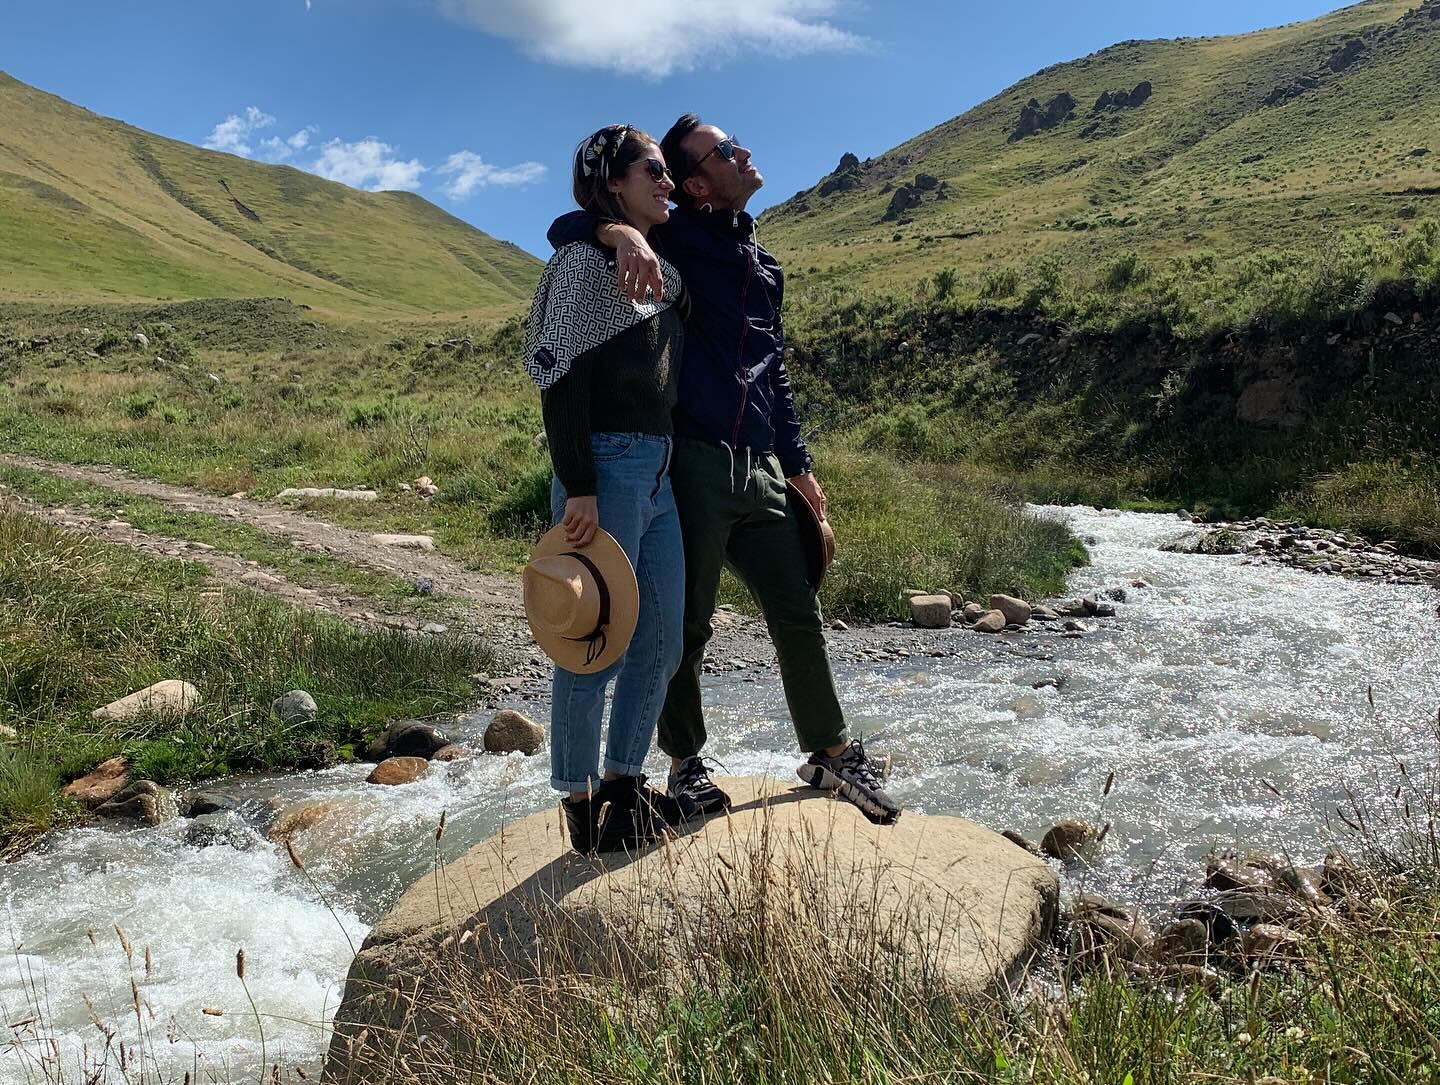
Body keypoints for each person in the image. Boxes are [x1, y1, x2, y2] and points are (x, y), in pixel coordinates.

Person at [548, 114, 901, 825]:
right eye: (722, 151)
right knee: (678, 625)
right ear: (701, 183)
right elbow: (572, 229)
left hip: (759, 467)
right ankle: (675, 768)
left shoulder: (760, 266)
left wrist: (800, 470)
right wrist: (618, 232)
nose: (743, 151)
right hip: (692, 463)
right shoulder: (668, 241)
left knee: (791, 609)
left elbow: (776, 378)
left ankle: (830, 752)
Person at [523, 124, 689, 854]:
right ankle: (579, 799)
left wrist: (624, 232)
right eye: (653, 171)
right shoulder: (583, 265)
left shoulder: (663, 266)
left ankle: (625, 787)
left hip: (659, 467)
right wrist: (580, 485)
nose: (669, 182)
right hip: (608, 464)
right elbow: (559, 378)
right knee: (594, 641)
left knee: (661, 636)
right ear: (614, 183)